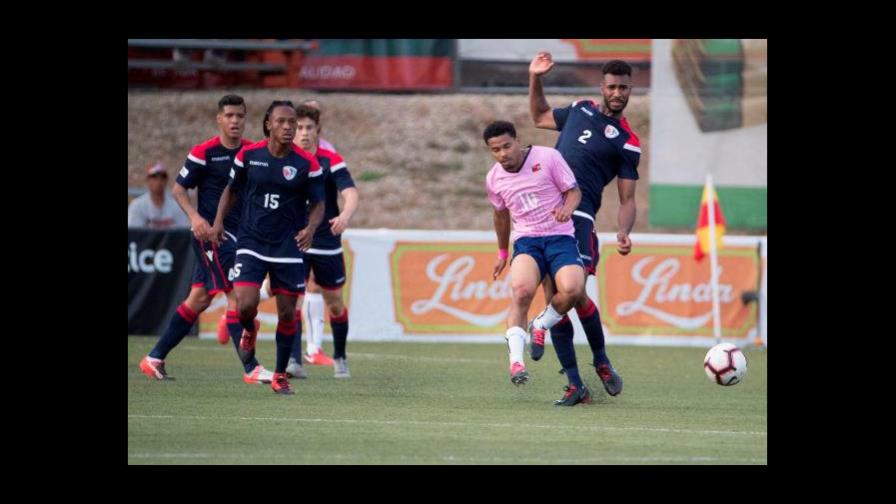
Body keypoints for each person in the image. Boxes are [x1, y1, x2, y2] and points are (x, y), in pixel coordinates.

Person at [138, 95, 272, 384]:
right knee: (237, 296)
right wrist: (195, 218)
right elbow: (178, 189)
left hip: (241, 235)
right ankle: (251, 368)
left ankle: (154, 358)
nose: (235, 120)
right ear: (219, 119)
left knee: (198, 299)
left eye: (239, 116)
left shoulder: (252, 152)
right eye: (229, 115)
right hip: (211, 235)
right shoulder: (204, 152)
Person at [528, 54, 640, 397]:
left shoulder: (627, 141)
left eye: (623, 88)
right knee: (555, 297)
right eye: (612, 87)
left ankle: (601, 360)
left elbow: (627, 199)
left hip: (580, 220)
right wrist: (535, 78)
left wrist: (624, 231)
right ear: (601, 87)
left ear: (630, 90)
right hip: (544, 216)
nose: (617, 93)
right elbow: (540, 116)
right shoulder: (579, 109)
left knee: (574, 294)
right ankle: (576, 384)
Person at [211, 100, 326, 395]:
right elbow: (231, 190)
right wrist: (218, 222)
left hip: (288, 245)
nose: (288, 127)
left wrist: (311, 229)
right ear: (268, 125)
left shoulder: (307, 163)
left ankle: (279, 375)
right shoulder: (249, 156)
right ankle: (250, 330)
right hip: (251, 240)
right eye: (282, 122)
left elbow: (319, 203)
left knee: (287, 314)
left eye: (292, 122)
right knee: (245, 305)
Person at [484, 120, 591, 406]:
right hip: (527, 242)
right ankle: (516, 362)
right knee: (521, 291)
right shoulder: (494, 178)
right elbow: (500, 216)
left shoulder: (548, 157)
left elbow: (574, 191)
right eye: (496, 150)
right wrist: (502, 253)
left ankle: (541, 324)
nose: (503, 154)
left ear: (517, 141)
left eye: (507, 146)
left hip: (560, 238)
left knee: (573, 289)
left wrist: (567, 209)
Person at [284, 104, 359, 379]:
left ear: (318, 130)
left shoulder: (330, 160)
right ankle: (294, 360)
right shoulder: (283, 159)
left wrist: (345, 216)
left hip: (327, 241)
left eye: (309, 128)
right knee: (291, 301)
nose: (304, 133)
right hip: (295, 242)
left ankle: (340, 357)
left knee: (335, 303)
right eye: (299, 128)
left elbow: (350, 192)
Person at [128, 162, 190, 229]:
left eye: (162, 177)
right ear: (147, 180)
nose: (159, 181)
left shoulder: (176, 206)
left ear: (166, 181)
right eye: (154, 177)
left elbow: (184, 230)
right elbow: (133, 232)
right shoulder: (137, 206)